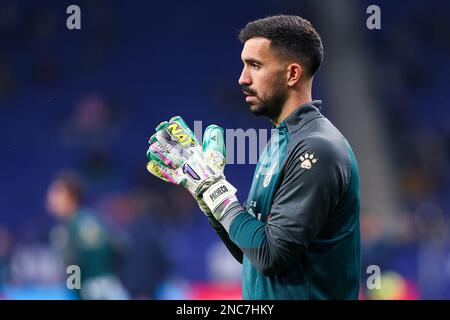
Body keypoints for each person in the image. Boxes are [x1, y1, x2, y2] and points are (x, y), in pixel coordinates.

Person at [146, 15, 360, 300]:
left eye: (255, 66)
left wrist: (214, 190)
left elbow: (272, 255)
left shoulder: (317, 148)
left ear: (292, 74)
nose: (242, 78)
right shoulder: (280, 142)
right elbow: (251, 252)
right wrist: (206, 197)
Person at [46, 170, 128, 299]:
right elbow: (121, 246)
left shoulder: (72, 228)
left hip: (94, 293)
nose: (51, 197)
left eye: (57, 192)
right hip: (109, 289)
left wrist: (77, 293)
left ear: (71, 196)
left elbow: (74, 267)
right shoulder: (92, 220)